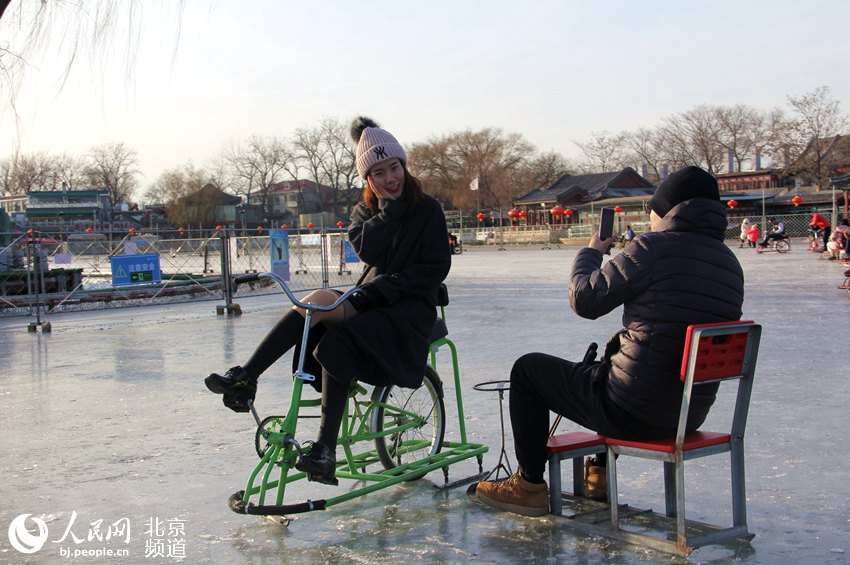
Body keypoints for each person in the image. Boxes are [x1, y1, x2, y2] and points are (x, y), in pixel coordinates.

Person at [474, 166, 744, 517]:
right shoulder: (730, 263)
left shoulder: (652, 247)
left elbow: (585, 300)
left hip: (632, 411)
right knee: (612, 366)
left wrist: (591, 252)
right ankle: (598, 473)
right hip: (686, 414)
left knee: (529, 370)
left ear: (665, 210)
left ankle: (527, 486)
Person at [205, 117, 452, 484]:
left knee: (337, 338)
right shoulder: (365, 212)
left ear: (404, 165)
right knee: (316, 304)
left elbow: (435, 267)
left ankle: (324, 447)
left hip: (409, 308)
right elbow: (366, 248)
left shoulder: (428, 209)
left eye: (394, 167)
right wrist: (388, 213)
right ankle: (248, 377)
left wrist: (384, 287)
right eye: (379, 172)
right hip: (374, 299)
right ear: (367, 178)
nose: (390, 179)